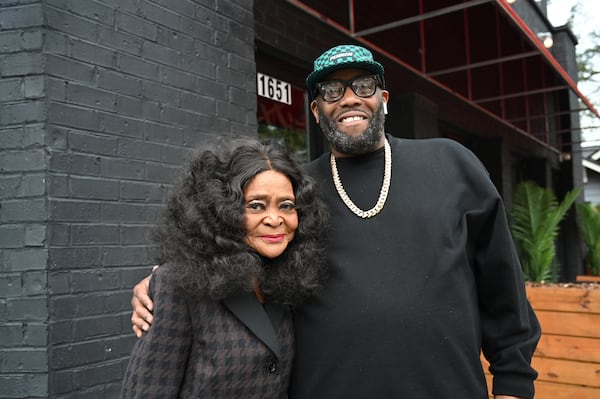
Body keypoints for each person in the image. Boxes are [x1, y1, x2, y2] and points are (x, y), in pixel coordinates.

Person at [131, 45, 541, 399]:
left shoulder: (452, 164)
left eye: (362, 86)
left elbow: (503, 286)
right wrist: (167, 281)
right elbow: (236, 251)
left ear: (383, 97)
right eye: (331, 90)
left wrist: (513, 382)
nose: (349, 99)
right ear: (315, 108)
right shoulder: (296, 192)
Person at [121, 137, 328, 398]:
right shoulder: (178, 287)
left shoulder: (288, 280)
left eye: (286, 206)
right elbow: (149, 390)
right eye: (256, 206)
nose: (275, 219)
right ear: (222, 211)